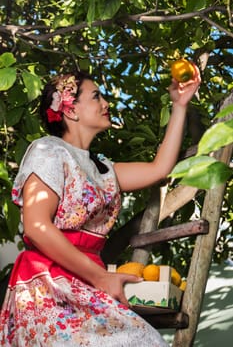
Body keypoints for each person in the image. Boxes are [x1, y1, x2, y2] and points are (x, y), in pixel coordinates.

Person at [0, 66, 201, 346]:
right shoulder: (48, 150)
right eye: (96, 97)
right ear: (71, 110)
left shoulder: (105, 169)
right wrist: (101, 277)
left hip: (90, 282)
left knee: (148, 341)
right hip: (49, 284)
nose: (106, 103)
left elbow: (159, 169)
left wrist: (180, 105)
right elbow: (36, 227)